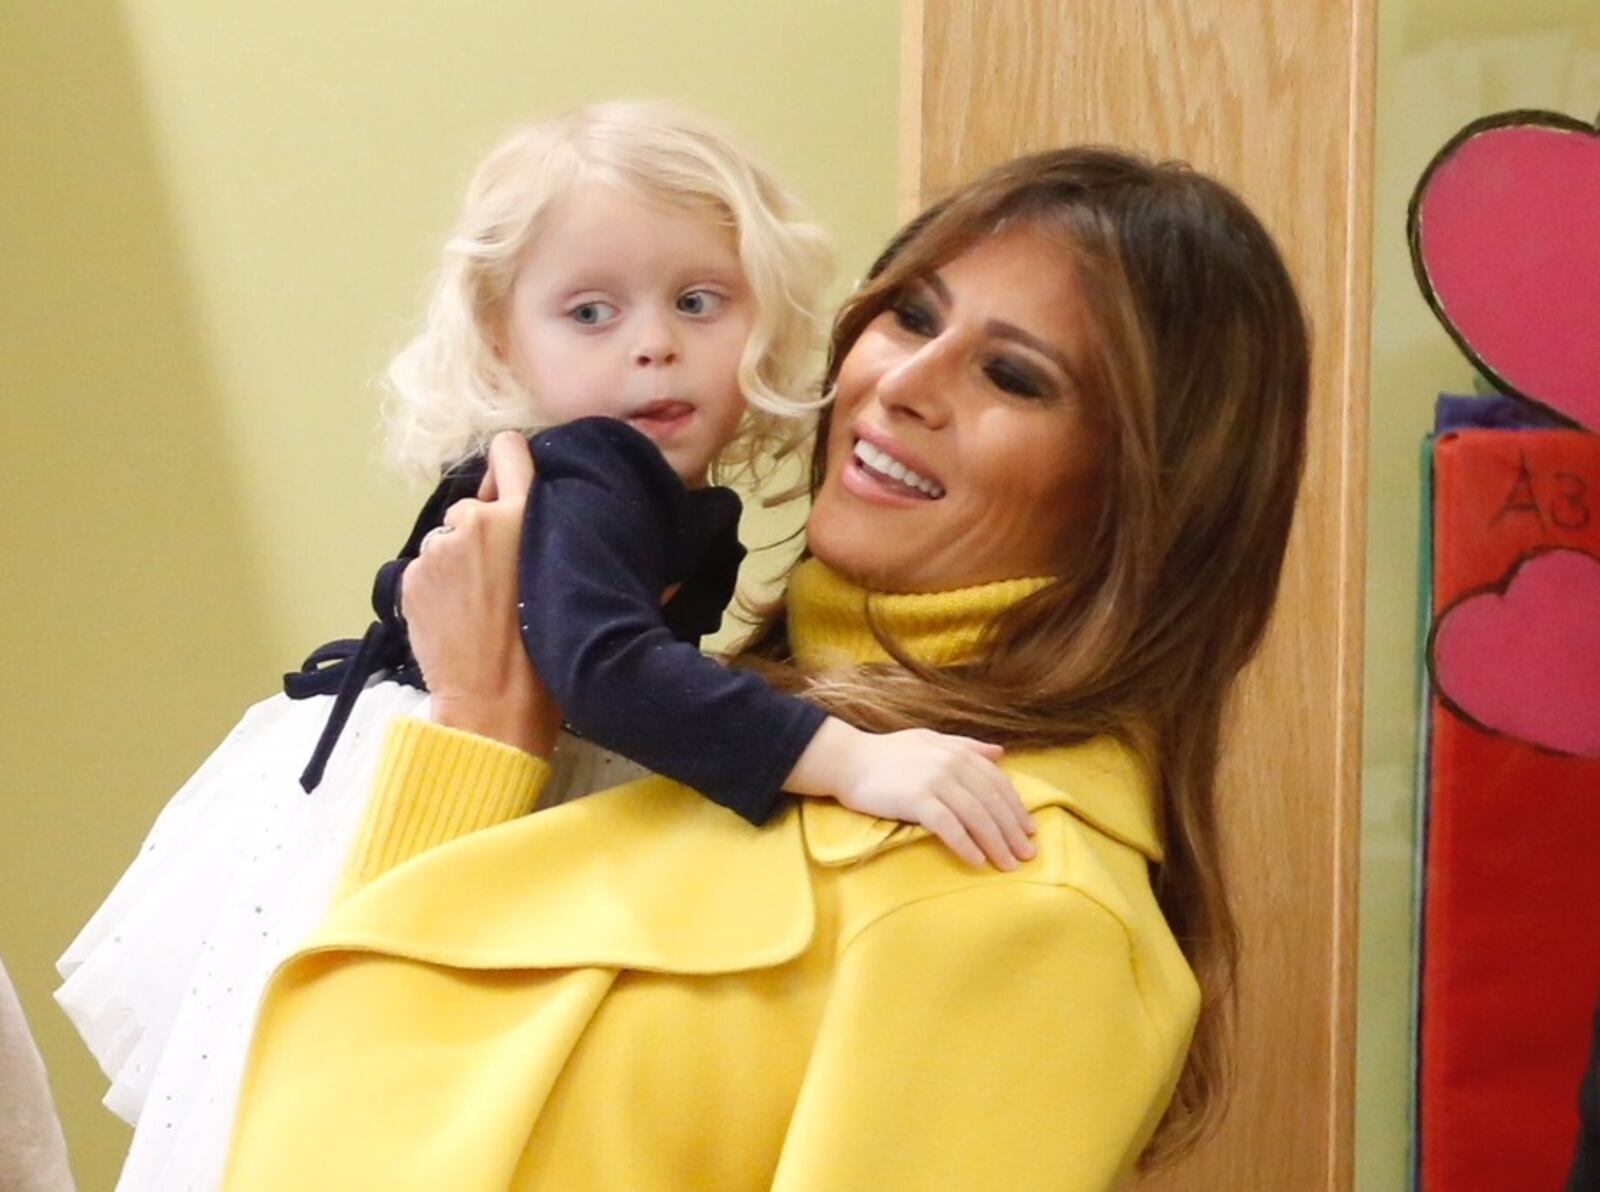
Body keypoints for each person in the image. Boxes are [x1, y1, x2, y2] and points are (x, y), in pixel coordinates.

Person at [223, 145, 1311, 1190]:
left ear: (1140, 493)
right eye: (912, 315)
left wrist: (485, 734)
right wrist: (481, 738)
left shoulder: (1021, 898)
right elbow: (388, 1091)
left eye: (1013, 377)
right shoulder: (725, 727)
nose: (902, 384)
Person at [56, 101, 1034, 1192]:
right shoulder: (594, 473)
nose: (652, 341)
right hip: (429, 771)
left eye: (698, 301)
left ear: (765, 310)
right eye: (589, 311)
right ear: (499, 337)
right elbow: (606, 667)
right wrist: (851, 756)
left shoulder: (666, 483)